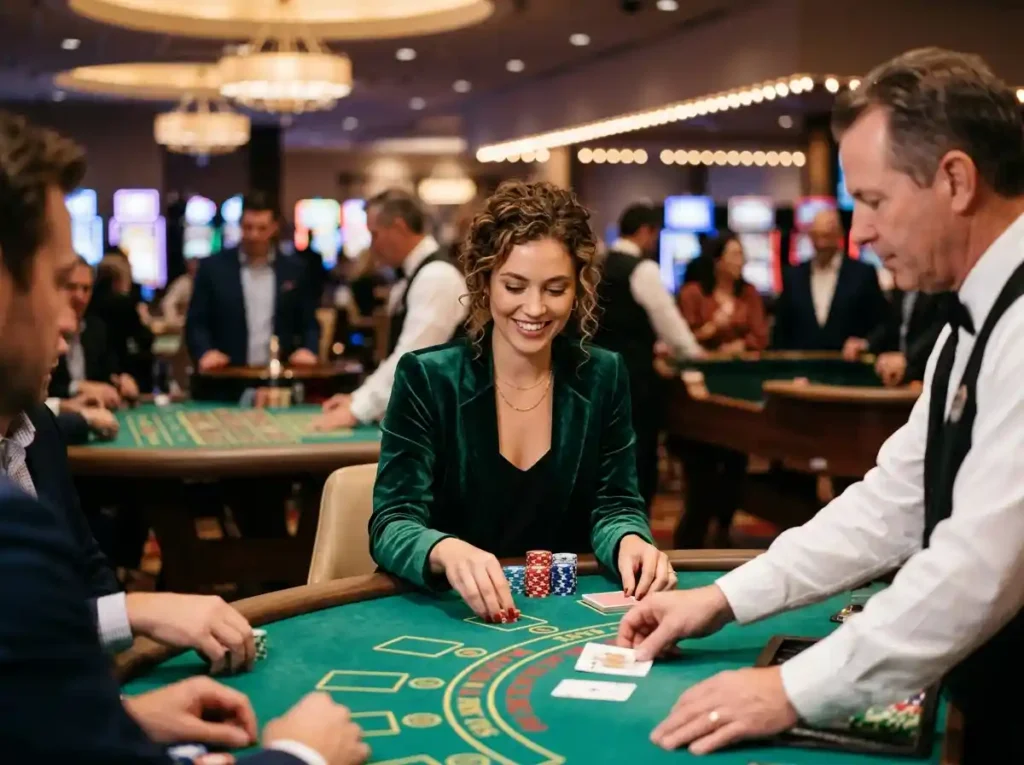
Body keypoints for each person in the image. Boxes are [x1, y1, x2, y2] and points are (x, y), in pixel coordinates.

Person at [614, 48, 1024, 764]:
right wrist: (723, 598)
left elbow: (981, 568)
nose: (859, 233)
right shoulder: (972, 322)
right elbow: (891, 502)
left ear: (955, 180)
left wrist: (788, 690)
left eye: (872, 200)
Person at [0, 110, 369, 764]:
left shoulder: (36, 437)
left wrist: (130, 716)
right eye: (62, 283)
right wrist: (300, 755)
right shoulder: (12, 537)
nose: (70, 319)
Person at [369, 180, 675, 621]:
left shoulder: (602, 375)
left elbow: (616, 505)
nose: (534, 308)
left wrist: (631, 540)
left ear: (579, 289)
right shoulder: (428, 377)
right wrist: (444, 549)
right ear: (484, 282)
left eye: (555, 289)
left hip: (565, 616)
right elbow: (392, 522)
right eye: (514, 286)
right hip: (448, 613)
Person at [312, 189, 466, 430]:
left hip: (447, 429)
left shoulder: (437, 276)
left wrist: (355, 410)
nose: (372, 245)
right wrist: (357, 398)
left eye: (375, 234)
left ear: (399, 227)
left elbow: (413, 360)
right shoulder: (414, 275)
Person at [591, 203, 703, 511]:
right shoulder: (643, 269)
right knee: (638, 459)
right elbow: (671, 327)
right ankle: (634, 528)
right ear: (645, 232)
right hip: (635, 382)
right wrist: (696, 356)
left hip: (596, 377)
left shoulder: (597, 265)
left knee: (603, 458)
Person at [674, 232, 770, 548]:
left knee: (734, 465)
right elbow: (681, 340)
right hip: (697, 398)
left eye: (742, 255)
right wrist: (714, 328)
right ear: (717, 261)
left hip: (738, 392)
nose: (739, 261)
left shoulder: (750, 294)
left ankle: (724, 533)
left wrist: (737, 345)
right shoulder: (693, 293)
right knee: (700, 471)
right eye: (733, 255)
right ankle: (689, 543)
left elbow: (760, 338)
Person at [185, 191, 320, 373]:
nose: (254, 235)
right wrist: (205, 352)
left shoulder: (295, 270)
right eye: (248, 227)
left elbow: (309, 322)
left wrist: (309, 350)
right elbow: (196, 323)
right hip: (227, 374)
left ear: (274, 227)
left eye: (261, 228)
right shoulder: (213, 268)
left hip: (278, 375)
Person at [772, 208, 888, 354]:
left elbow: (883, 324)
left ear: (839, 235)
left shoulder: (862, 274)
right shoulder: (793, 276)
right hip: (802, 370)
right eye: (817, 236)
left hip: (849, 370)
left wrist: (865, 343)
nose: (821, 243)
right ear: (810, 237)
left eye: (826, 236)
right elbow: (781, 331)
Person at [48, 255, 137, 408]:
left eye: (86, 289)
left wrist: (121, 381)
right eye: (71, 287)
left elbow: (109, 372)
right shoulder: (41, 332)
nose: (79, 296)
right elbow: (39, 393)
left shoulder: (96, 328)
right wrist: (77, 387)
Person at [866, 287, 950, 386]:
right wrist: (867, 343)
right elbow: (890, 324)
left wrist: (907, 358)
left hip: (930, 374)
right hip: (901, 375)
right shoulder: (899, 289)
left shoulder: (939, 289)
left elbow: (940, 329)